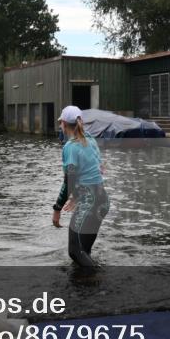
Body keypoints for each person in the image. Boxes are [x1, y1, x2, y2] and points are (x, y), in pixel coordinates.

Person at [52, 105, 110, 268]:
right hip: (102, 200)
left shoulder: (70, 147)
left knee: (75, 252)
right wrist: (77, 196)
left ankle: (98, 278)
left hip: (89, 202)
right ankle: (87, 289)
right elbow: (96, 171)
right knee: (84, 251)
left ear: (63, 123)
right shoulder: (90, 140)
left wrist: (57, 209)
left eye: (60, 123)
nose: (59, 126)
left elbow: (68, 182)